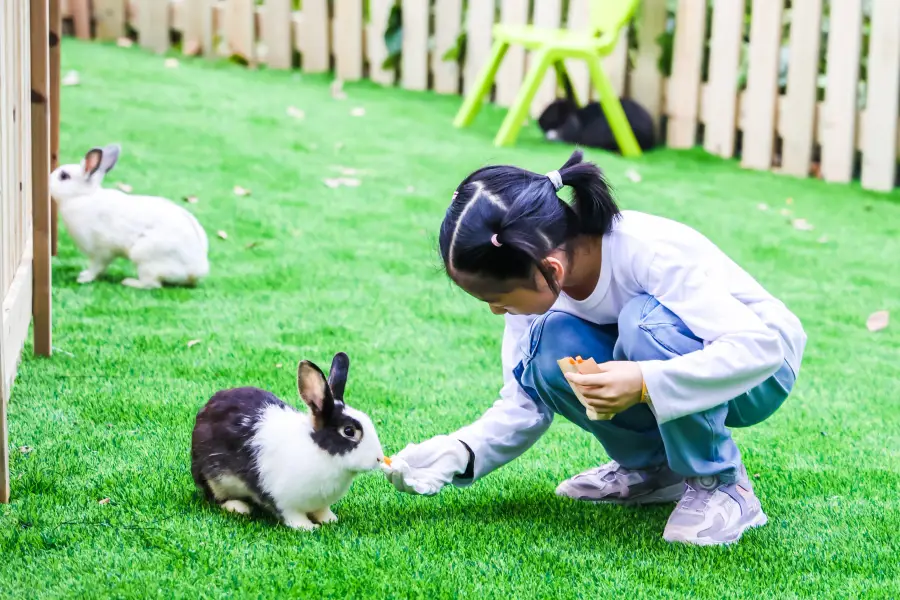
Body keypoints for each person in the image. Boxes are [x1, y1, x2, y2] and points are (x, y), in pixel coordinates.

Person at [383, 150, 806, 546]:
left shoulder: (647, 251)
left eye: (499, 298)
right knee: (546, 343)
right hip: (684, 361)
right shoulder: (535, 284)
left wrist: (644, 380)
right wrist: (460, 451)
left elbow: (759, 347)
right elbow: (523, 402)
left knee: (642, 322)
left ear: (550, 269)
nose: (497, 311)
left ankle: (723, 486)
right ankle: (654, 471)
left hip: (760, 372)